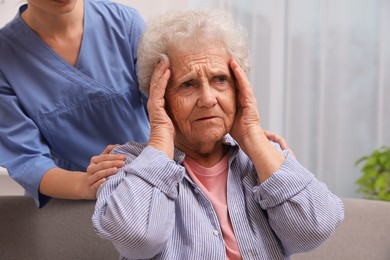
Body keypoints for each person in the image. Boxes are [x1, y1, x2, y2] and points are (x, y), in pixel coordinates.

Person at [92, 9, 344, 260]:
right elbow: (137, 240)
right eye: (187, 84)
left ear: (238, 88)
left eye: (220, 79)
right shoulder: (127, 165)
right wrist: (159, 138)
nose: (208, 99)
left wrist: (252, 135)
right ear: (159, 96)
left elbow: (315, 229)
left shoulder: (263, 156)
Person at [0, 0, 289, 208]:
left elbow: (178, 102)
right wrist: (84, 185)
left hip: (156, 181)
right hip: (77, 203)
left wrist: (235, 135)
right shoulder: (5, 58)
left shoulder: (124, 24)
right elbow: (27, 161)